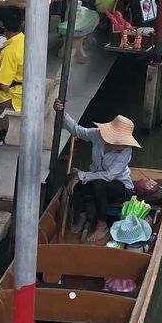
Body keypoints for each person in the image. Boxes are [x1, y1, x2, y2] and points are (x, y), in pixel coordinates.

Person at [54, 99, 140, 244]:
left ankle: (102, 224)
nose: (121, 146)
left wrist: (81, 175)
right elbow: (76, 130)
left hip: (119, 186)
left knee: (98, 184)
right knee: (70, 179)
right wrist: (61, 112)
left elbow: (109, 176)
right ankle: (82, 215)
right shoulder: (97, 134)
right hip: (96, 180)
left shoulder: (126, 151)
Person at [0, 6, 25, 116]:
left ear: (1, 24)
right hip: (29, 90)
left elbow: (4, 86)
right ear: (22, 23)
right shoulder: (26, 40)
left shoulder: (9, 51)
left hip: (17, 97)